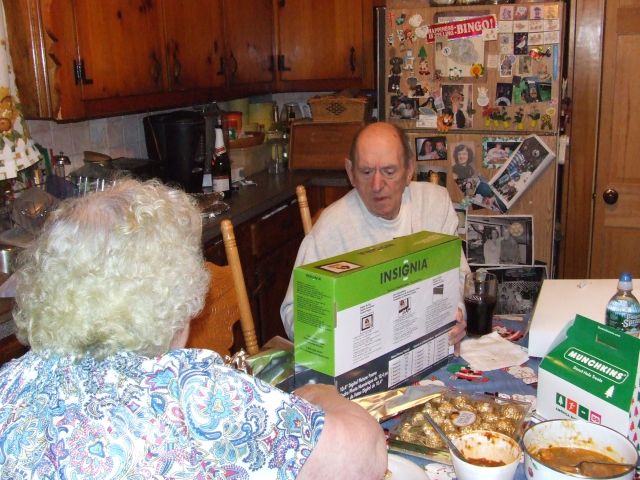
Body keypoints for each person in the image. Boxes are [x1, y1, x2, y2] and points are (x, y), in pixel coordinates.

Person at [0, 179, 387, 479]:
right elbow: (364, 456)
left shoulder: (10, 384)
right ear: (175, 295)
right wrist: (321, 394)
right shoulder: (191, 393)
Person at [280, 122, 469, 345]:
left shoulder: (435, 204)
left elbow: (460, 278)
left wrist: (456, 313)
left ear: (409, 170)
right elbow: (295, 313)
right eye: (366, 172)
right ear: (351, 172)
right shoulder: (331, 228)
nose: (377, 185)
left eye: (389, 171)